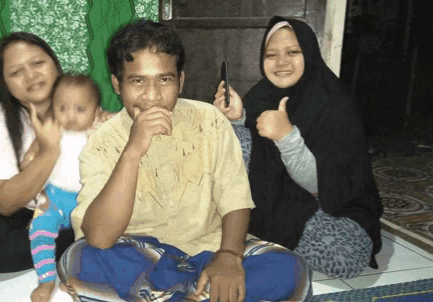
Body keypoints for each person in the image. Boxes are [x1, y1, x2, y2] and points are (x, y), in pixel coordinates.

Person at [56, 20, 313, 302]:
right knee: (79, 260)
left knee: (292, 270)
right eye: (137, 80)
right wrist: (132, 152)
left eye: (164, 79)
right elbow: (101, 237)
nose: (152, 96)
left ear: (180, 81)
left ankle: (175, 296)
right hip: (144, 258)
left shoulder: (209, 120)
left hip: (210, 252)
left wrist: (228, 258)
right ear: (117, 84)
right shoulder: (102, 142)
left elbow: (235, 199)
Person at [213, 16, 384, 279]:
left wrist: (287, 138)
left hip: (327, 206)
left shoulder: (336, 103)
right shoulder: (261, 94)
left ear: (310, 53)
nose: (281, 63)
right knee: (235, 138)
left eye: (293, 52)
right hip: (277, 200)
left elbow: (323, 188)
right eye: (271, 55)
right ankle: (251, 233)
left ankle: (256, 234)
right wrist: (239, 118)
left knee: (345, 258)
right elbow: (255, 158)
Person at [0, 32, 79, 273]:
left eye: (37, 63)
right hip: (24, 202)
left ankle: (76, 238)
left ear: (55, 64)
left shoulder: (81, 104)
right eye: (16, 72)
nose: (31, 76)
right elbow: (3, 203)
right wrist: (49, 149)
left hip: (74, 205)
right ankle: (73, 242)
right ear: (5, 83)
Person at [24, 73, 107, 302]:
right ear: (53, 109)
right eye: (62, 108)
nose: (70, 116)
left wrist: (106, 123)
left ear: (96, 111)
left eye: (80, 109)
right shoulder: (53, 133)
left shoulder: (98, 132)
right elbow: (29, 160)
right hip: (55, 198)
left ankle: (76, 277)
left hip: (89, 200)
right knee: (39, 229)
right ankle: (46, 279)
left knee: (93, 241)